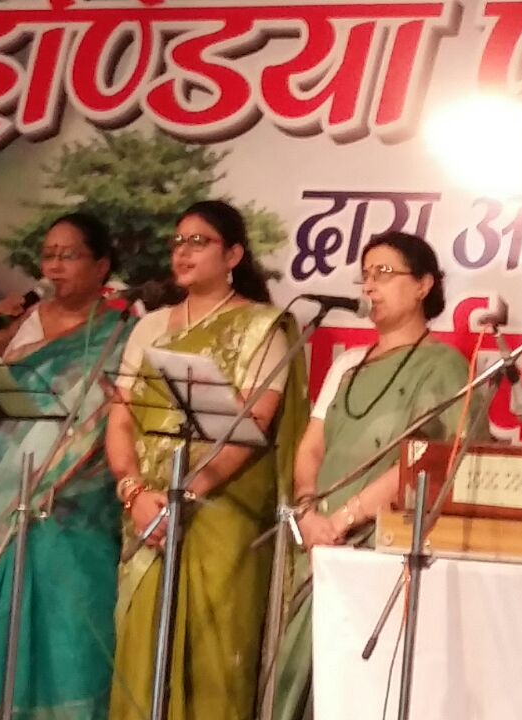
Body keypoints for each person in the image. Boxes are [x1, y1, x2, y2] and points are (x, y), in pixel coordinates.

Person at [0, 212, 133, 719]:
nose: (54, 267)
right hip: (8, 484)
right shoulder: (21, 322)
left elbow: (113, 415)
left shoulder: (122, 332)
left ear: (101, 265)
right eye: (48, 255)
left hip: (75, 497)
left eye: (69, 255)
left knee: (68, 618)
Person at [267, 231, 483, 720]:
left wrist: (345, 518)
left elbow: (432, 461)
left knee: (359, 688)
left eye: (384, 273)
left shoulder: (444, 367)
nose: (369, 286)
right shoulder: (347, 366)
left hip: (380, 550)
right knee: (301, 677)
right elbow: (312, 448)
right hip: (318, 543)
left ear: (424, 285)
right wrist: (308, 510)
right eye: (365, 275)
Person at [105, 200, 308, 720]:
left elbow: (253, 426)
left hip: (221, 516)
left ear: (233, 255)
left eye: (199, 241)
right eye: (178, 241)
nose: (183, 251)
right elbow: (120, 419)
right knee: (141, 657)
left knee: (214, 663)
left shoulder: (263, 327)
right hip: (147, 514)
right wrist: (134, 492)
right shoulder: (149, 327)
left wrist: (185, 495)